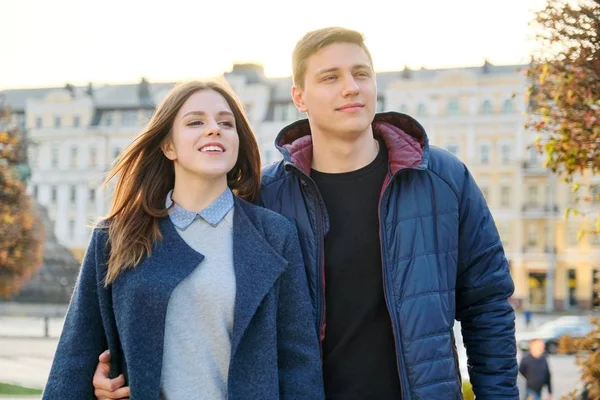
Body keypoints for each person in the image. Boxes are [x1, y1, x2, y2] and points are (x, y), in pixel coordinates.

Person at [93, 27, 519, 399]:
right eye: (330, 77)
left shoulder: (443, 180)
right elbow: (206, 306)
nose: (350, 87)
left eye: (361, 74)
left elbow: (487, 305)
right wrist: (119, 371)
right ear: (299, 96)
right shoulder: (265, 199)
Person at [42, 81, 324, 400]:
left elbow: (299, 365)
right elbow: (75, 360)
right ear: (168, 146)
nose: (214, 130)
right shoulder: (115, 236)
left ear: (238, 141)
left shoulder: (274, 234)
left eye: (226, 123)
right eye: (195, 122)